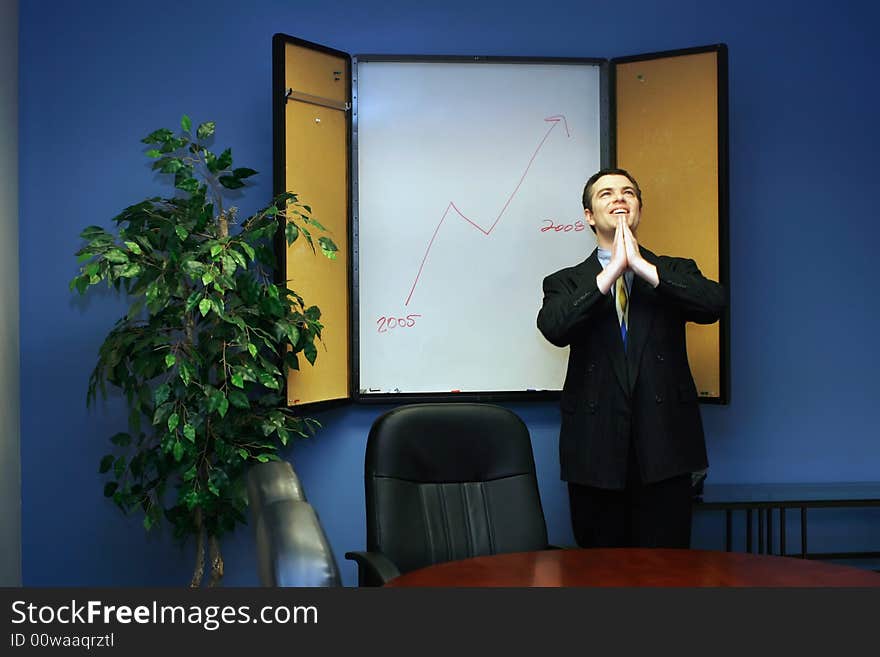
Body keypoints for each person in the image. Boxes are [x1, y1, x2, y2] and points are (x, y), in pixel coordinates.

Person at [536, 168, 726, 549]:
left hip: (666, 449)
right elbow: (554, 328)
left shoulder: (674, 270)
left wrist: (642, 268)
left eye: (628, 193)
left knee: (668, 575)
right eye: (605, 194)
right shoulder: (566, 281)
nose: (619, 199)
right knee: (599, 576)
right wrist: (609, 276)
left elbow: (713, 304)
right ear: (589, 215)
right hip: (594, 452)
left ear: (639, 208)